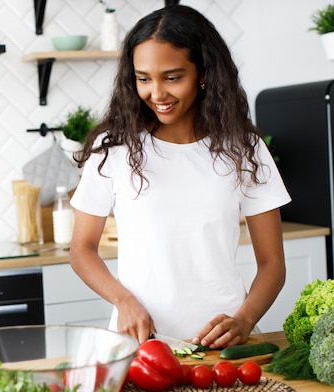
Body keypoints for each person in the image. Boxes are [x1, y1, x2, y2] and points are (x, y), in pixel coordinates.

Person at [69, 5, 291, 349]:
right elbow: (82, 250)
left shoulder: (245, 149)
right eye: (143, 78)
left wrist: (245, 319)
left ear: (204, 73)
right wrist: (123, 302)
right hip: (139, 345)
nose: (156, 94)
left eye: (172, 77)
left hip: (223, 345)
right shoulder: (113, 148)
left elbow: (272, 263)